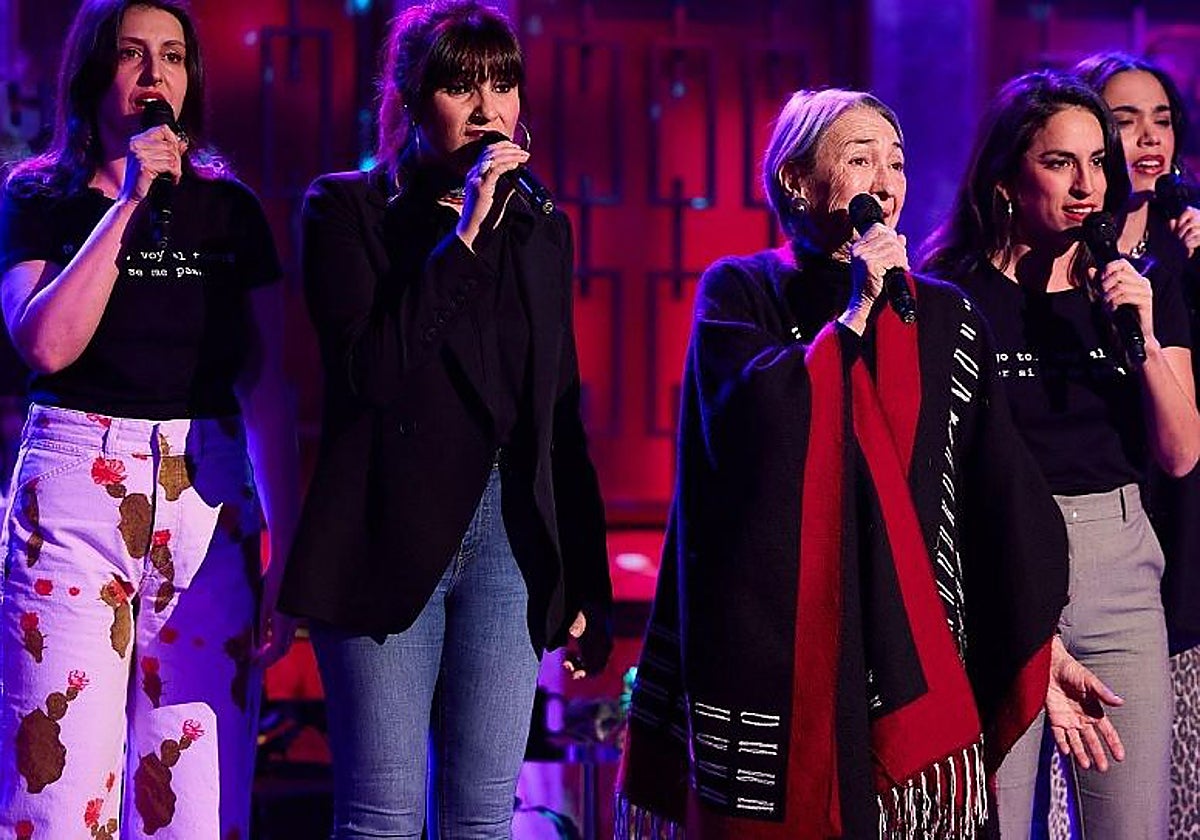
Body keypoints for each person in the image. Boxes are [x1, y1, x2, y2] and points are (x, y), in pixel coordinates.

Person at [615, 87, 1105, 839]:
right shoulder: (741, 290)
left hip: (907, 647)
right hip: (784, 649)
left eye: (897, 163)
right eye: (859, 159)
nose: (885, 181)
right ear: (796, 181)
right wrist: (852, 319)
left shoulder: (940, 313)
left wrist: (1044, 648)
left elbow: (993, 492)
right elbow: (748, 430)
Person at [276, 1, 613, 837]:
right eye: (459, 86)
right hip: (382, 532)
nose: (486, 108)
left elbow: (556, 409)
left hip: (507, 537)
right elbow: (370, 374)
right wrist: (462, 234)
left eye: (502, 84)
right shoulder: (346, 209)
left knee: (482, 817)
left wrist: (587, 579)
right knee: (383, 816)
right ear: (409, 97)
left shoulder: (540, 226)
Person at [0, 1, 299, 837]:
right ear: (95, 72)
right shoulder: (38, 197)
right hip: (71, 493)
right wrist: (125, 203)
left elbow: (268, 383)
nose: (155, 74)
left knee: (194, 798)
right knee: (56, 791)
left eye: (172, 56)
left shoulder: (230, 211)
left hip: (206, 498)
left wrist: (288, 538)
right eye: (133, 55)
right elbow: (46, 345)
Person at [921, 69, 1200, 839]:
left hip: (1119, 566)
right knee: (998, 822)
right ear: (1007, 175)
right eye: (1059, 162)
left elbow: (1180, 454)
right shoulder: (950, 292)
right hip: (998, 568)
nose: (1087, 185)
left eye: (1097, 162)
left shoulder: (1134, 285)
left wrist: (1139, 335)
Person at [1076, 51, 1200, 838]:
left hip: (1182, 505)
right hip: (1099, 511)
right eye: (1124, 121)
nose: (1147, 138)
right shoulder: (1062, 255)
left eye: (1161, 120)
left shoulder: (1188, 251)